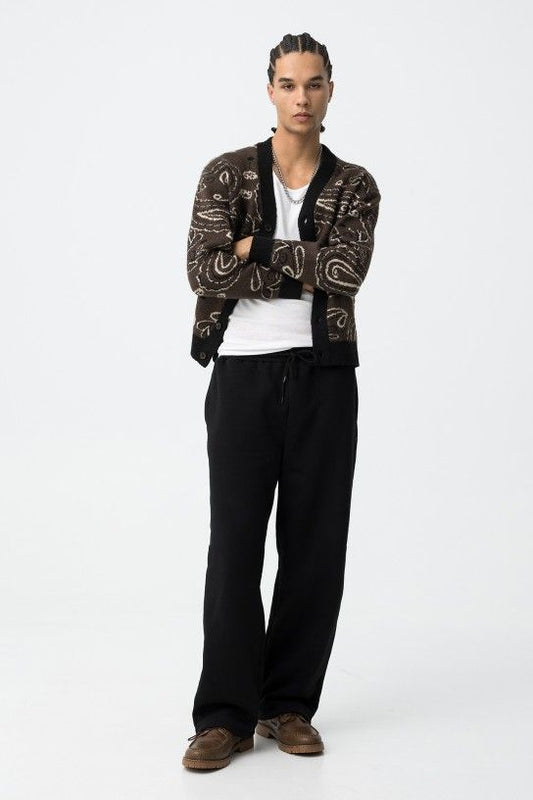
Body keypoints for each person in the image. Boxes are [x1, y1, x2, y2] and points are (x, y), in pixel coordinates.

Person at [182, 31, 381, 771]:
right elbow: (203, 269)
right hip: (242, 373)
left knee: (315, 544)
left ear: (330, 90)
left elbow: (347, 272)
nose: (302, 98)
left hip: (325, 374)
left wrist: (254, 248)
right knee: (234, 544)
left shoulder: (355, 185)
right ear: (270, 89)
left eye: (314, 84)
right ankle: (224, 716)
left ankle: (288, 704)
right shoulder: (226, 173)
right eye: (289, 84)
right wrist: (300, 266)